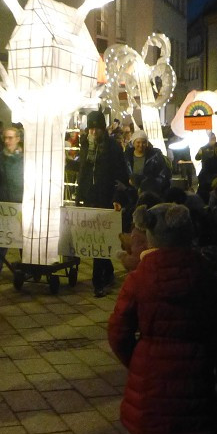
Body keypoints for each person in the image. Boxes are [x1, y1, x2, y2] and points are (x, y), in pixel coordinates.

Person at [108, 203, 217, 434]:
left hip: (154, 376)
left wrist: (139, 360)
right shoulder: (205, 274)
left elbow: (118, 330)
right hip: (195, 372)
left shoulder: (140, 277)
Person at [75, 110, 124, 297]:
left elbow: (120, 174)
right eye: (91, 128)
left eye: (97, 128)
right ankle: (108, 271)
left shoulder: (112, 147)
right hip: (90, 196)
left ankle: (98, 282)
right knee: (96, 238)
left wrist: (117, 197)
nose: (93, 132)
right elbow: (83, 171)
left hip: (106, 197)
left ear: (103, 129)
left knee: (100, 239)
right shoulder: (86, 145)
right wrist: (79, 195)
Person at [0, 126, 24, 280]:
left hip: (22, 203)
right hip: (4, 204)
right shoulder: (1, 157)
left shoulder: (25, 157)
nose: (7, 141)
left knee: (24, 237)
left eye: (10, 138)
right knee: (2, 237)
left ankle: (27, 264)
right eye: (5, 138)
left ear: (18, 138)